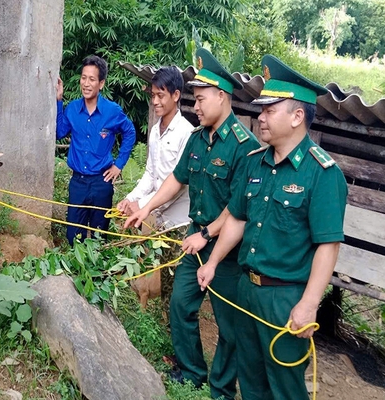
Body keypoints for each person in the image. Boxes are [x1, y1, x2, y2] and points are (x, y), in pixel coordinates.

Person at [197, 55, 347, 400]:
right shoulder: (256, 163)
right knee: (250, 379)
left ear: (297, 117)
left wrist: (309, 304)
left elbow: (328, 245)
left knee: (285, 387)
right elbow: (236, 219)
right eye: (260, 110)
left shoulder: (321, 174)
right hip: (246, 289)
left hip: (285, 297)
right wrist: (214, 262)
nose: (260, 117)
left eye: (269, 110)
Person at [125, 48, 260, 400]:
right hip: (195, 237)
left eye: (200, 100)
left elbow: (238, 208)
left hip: (225, 246)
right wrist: (146, 207)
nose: (195, 107)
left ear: (221, 96)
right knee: (181, 304)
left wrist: (207, 234)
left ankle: (220, 388)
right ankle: (191, 371)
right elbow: (176, 178)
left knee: (228, 324)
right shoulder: (199, 139)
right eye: (193, 99)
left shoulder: (244, 147)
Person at [57, 55, 136, 245]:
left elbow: (130, 132)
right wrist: (59, 100)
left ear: (101, 83)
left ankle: (98, 273)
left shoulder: (112, 111)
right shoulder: (73, 109)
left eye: (92, 79)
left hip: (102, 182)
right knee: (73, 237)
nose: (86, 83)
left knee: (100, 235)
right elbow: (59, 132)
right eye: (83, 78)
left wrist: (118, 165)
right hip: (78, 183)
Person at [116, 66, 193, 229]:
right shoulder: (155, 131)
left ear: (176, 95)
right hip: (153, 215)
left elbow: (178, 184)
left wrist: (143, 204)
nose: (155, 101)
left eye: (160, 95)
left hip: (177, 222)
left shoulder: (187, 133)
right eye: (153, 95)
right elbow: (151, 174)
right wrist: (130, 199)